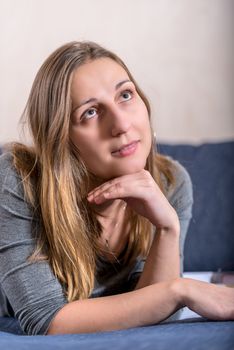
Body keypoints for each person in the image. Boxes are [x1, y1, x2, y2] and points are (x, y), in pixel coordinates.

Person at [0, 41, 233, 336]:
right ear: (61, 139)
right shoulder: (19, 179)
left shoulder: (170, 182)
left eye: (125, 95)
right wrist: (180, 290)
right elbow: (46, 320)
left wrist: (167, 228)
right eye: (90, 113)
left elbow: (156, 318)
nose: (122, 124)